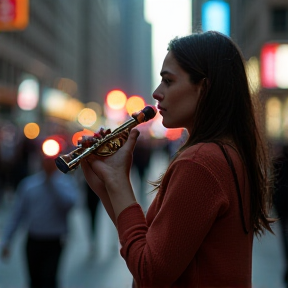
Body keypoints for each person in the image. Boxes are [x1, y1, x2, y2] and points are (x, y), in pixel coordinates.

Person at [80, 31, 275, 288]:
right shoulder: (226, 152)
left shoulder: (199, 163)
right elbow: (146, 242)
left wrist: (118, 180)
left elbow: (150, 273)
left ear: (204, 88)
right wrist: (105, 184)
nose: (157, 92)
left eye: (168, 81)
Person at [0, 146, 80, 288]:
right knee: (34, 280)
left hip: (55, 241)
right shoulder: (29, 185)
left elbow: (69, 204)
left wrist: (52, 181)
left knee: (49, 279)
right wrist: (7, 240)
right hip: (34, 240)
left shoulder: (64, 183)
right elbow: (17, 214)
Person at [273, 145, 288, 288]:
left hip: (282, 207)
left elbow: (274, 186)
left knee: (284, 237)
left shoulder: (278, 163)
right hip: (283, 206)